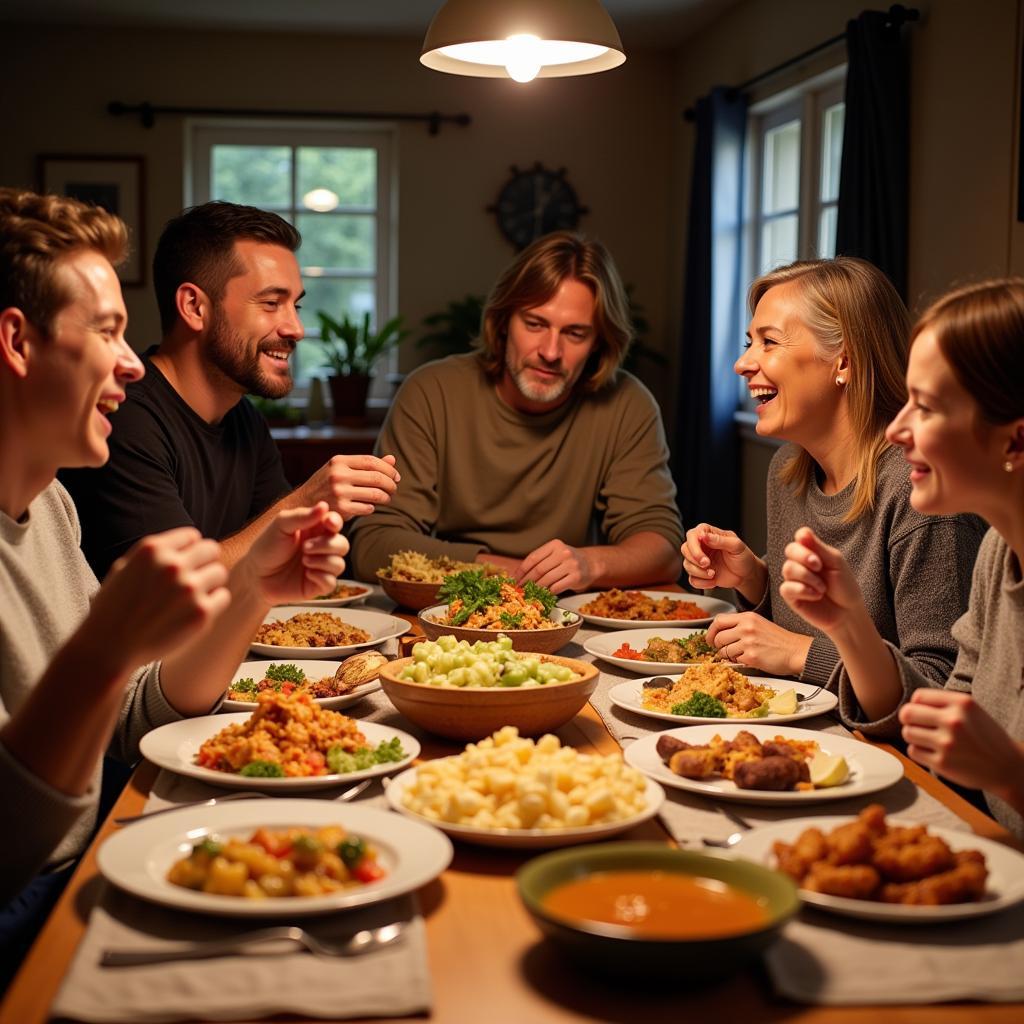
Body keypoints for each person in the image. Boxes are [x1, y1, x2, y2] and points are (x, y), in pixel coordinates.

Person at [0, 189, 348, 969]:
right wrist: (103, 647)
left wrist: (256, 587)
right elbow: (10, 848)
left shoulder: (50, 506)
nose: (132, 362)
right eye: (106, 332)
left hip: (91, 856)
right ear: (19, 342)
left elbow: (133, 719)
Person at [780, 278, 1024, 836]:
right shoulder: (996, 555)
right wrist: (849, 626)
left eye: (927, 407)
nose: (897, 428)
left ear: (1013, 442)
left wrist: (1012, 774)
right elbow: (942, 732)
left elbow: (990, 770)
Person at [681, 257, 985, 685]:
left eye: (769, 342)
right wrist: (754, 579)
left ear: (843, 362)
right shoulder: (788, 470)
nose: (743, 363)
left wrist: (800, 655)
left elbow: (944, 685)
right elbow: (798, 630)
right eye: (749, 342)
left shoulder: (922, 493)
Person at [59, 201, 400, 578]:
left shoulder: (243, 419)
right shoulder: (123, 416)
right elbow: (175, 586)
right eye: (271, 303)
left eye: (295, 306)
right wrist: (304, 500)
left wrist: (318, 524)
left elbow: (277, 561)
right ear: (194, 307)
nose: (296, 329)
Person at [348, 231, 683, 593]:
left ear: (599, 342)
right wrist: (514, 574)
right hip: (450, 607)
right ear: (504, 320)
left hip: (567, 614)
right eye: (535, 324)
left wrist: (590, 564)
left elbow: (663, 550)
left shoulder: (626, 404)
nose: (550, 351)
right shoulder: (432, 392)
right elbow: (374, 545)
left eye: (574, 333)